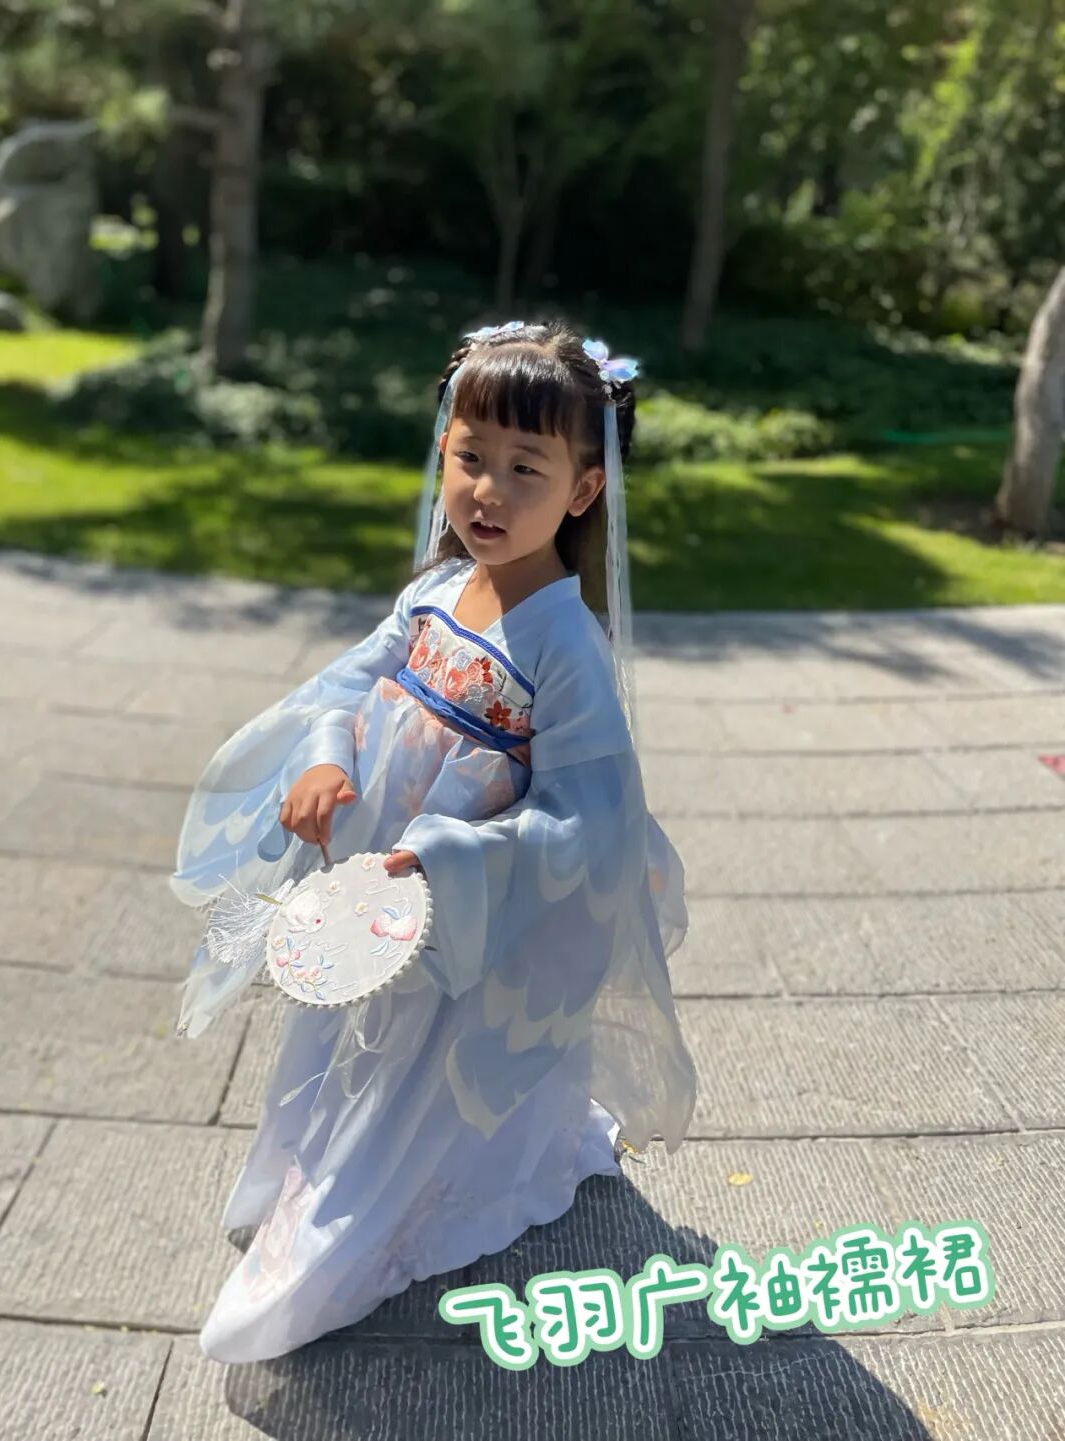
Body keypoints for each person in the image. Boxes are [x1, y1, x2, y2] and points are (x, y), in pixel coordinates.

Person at [169, 318, 698, 1364]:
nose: (488, 491)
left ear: (584, 489)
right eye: (471, 456)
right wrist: (327, 755)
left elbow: (591, 819)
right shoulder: (434, 590)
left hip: (462, 908)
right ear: (443, 451)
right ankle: (318, 1166)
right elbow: (352, 681)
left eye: (526, 467)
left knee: (425, 1064)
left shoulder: (565, 644)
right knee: (350, 1032)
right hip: (376, 884)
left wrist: (457, 858)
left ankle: (368, 1214)